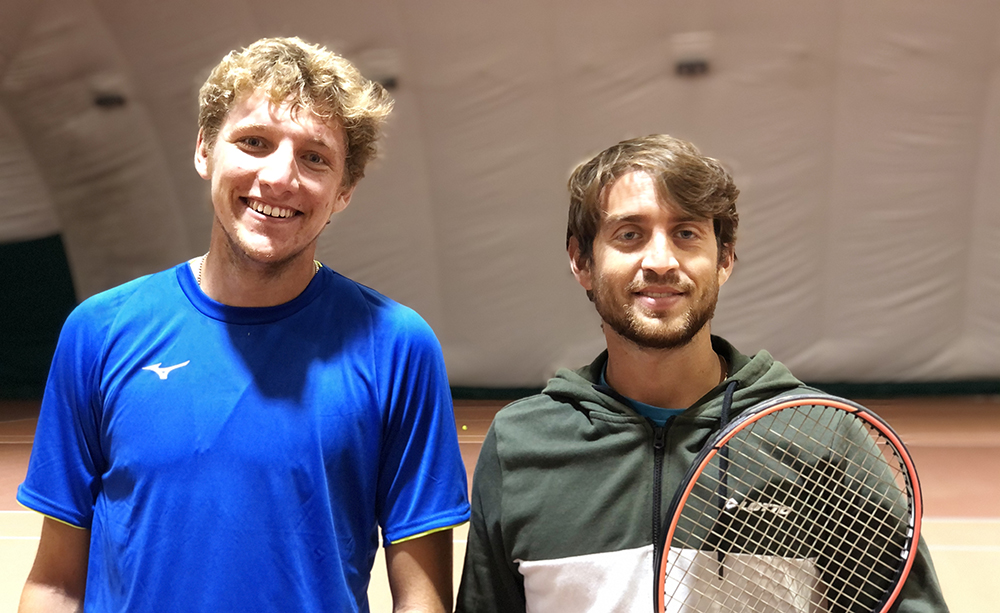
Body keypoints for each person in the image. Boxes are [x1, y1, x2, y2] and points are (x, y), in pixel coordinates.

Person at [17, 37, 469, 613]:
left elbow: (423, 599)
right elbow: (55, 583)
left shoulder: (397, 346)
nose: (280, 177)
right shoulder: (100, 331)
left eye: (315, 157)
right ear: (205, 149)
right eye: (254, 142)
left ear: (345, 190)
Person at [455, 134, 948, 612]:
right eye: (629, 235)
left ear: (725, 259)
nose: (661, 261)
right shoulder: (521, 443)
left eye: (686, 233)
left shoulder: (822, 437)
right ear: (581, 261)